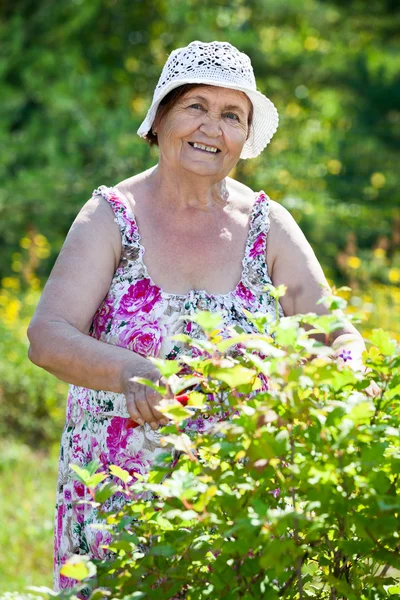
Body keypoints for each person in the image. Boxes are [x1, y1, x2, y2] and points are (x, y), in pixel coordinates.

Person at [27, 40, 371, 593]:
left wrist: (342, 381)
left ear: (245, 137)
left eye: (232, 115)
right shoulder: (112, 217)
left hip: (244, 507)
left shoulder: (268, 225)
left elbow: (337, 333)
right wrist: (128, 370)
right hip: (119, 506)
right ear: (160, 117)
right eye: (196, 107)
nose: (212, 128)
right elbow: (47, 336)